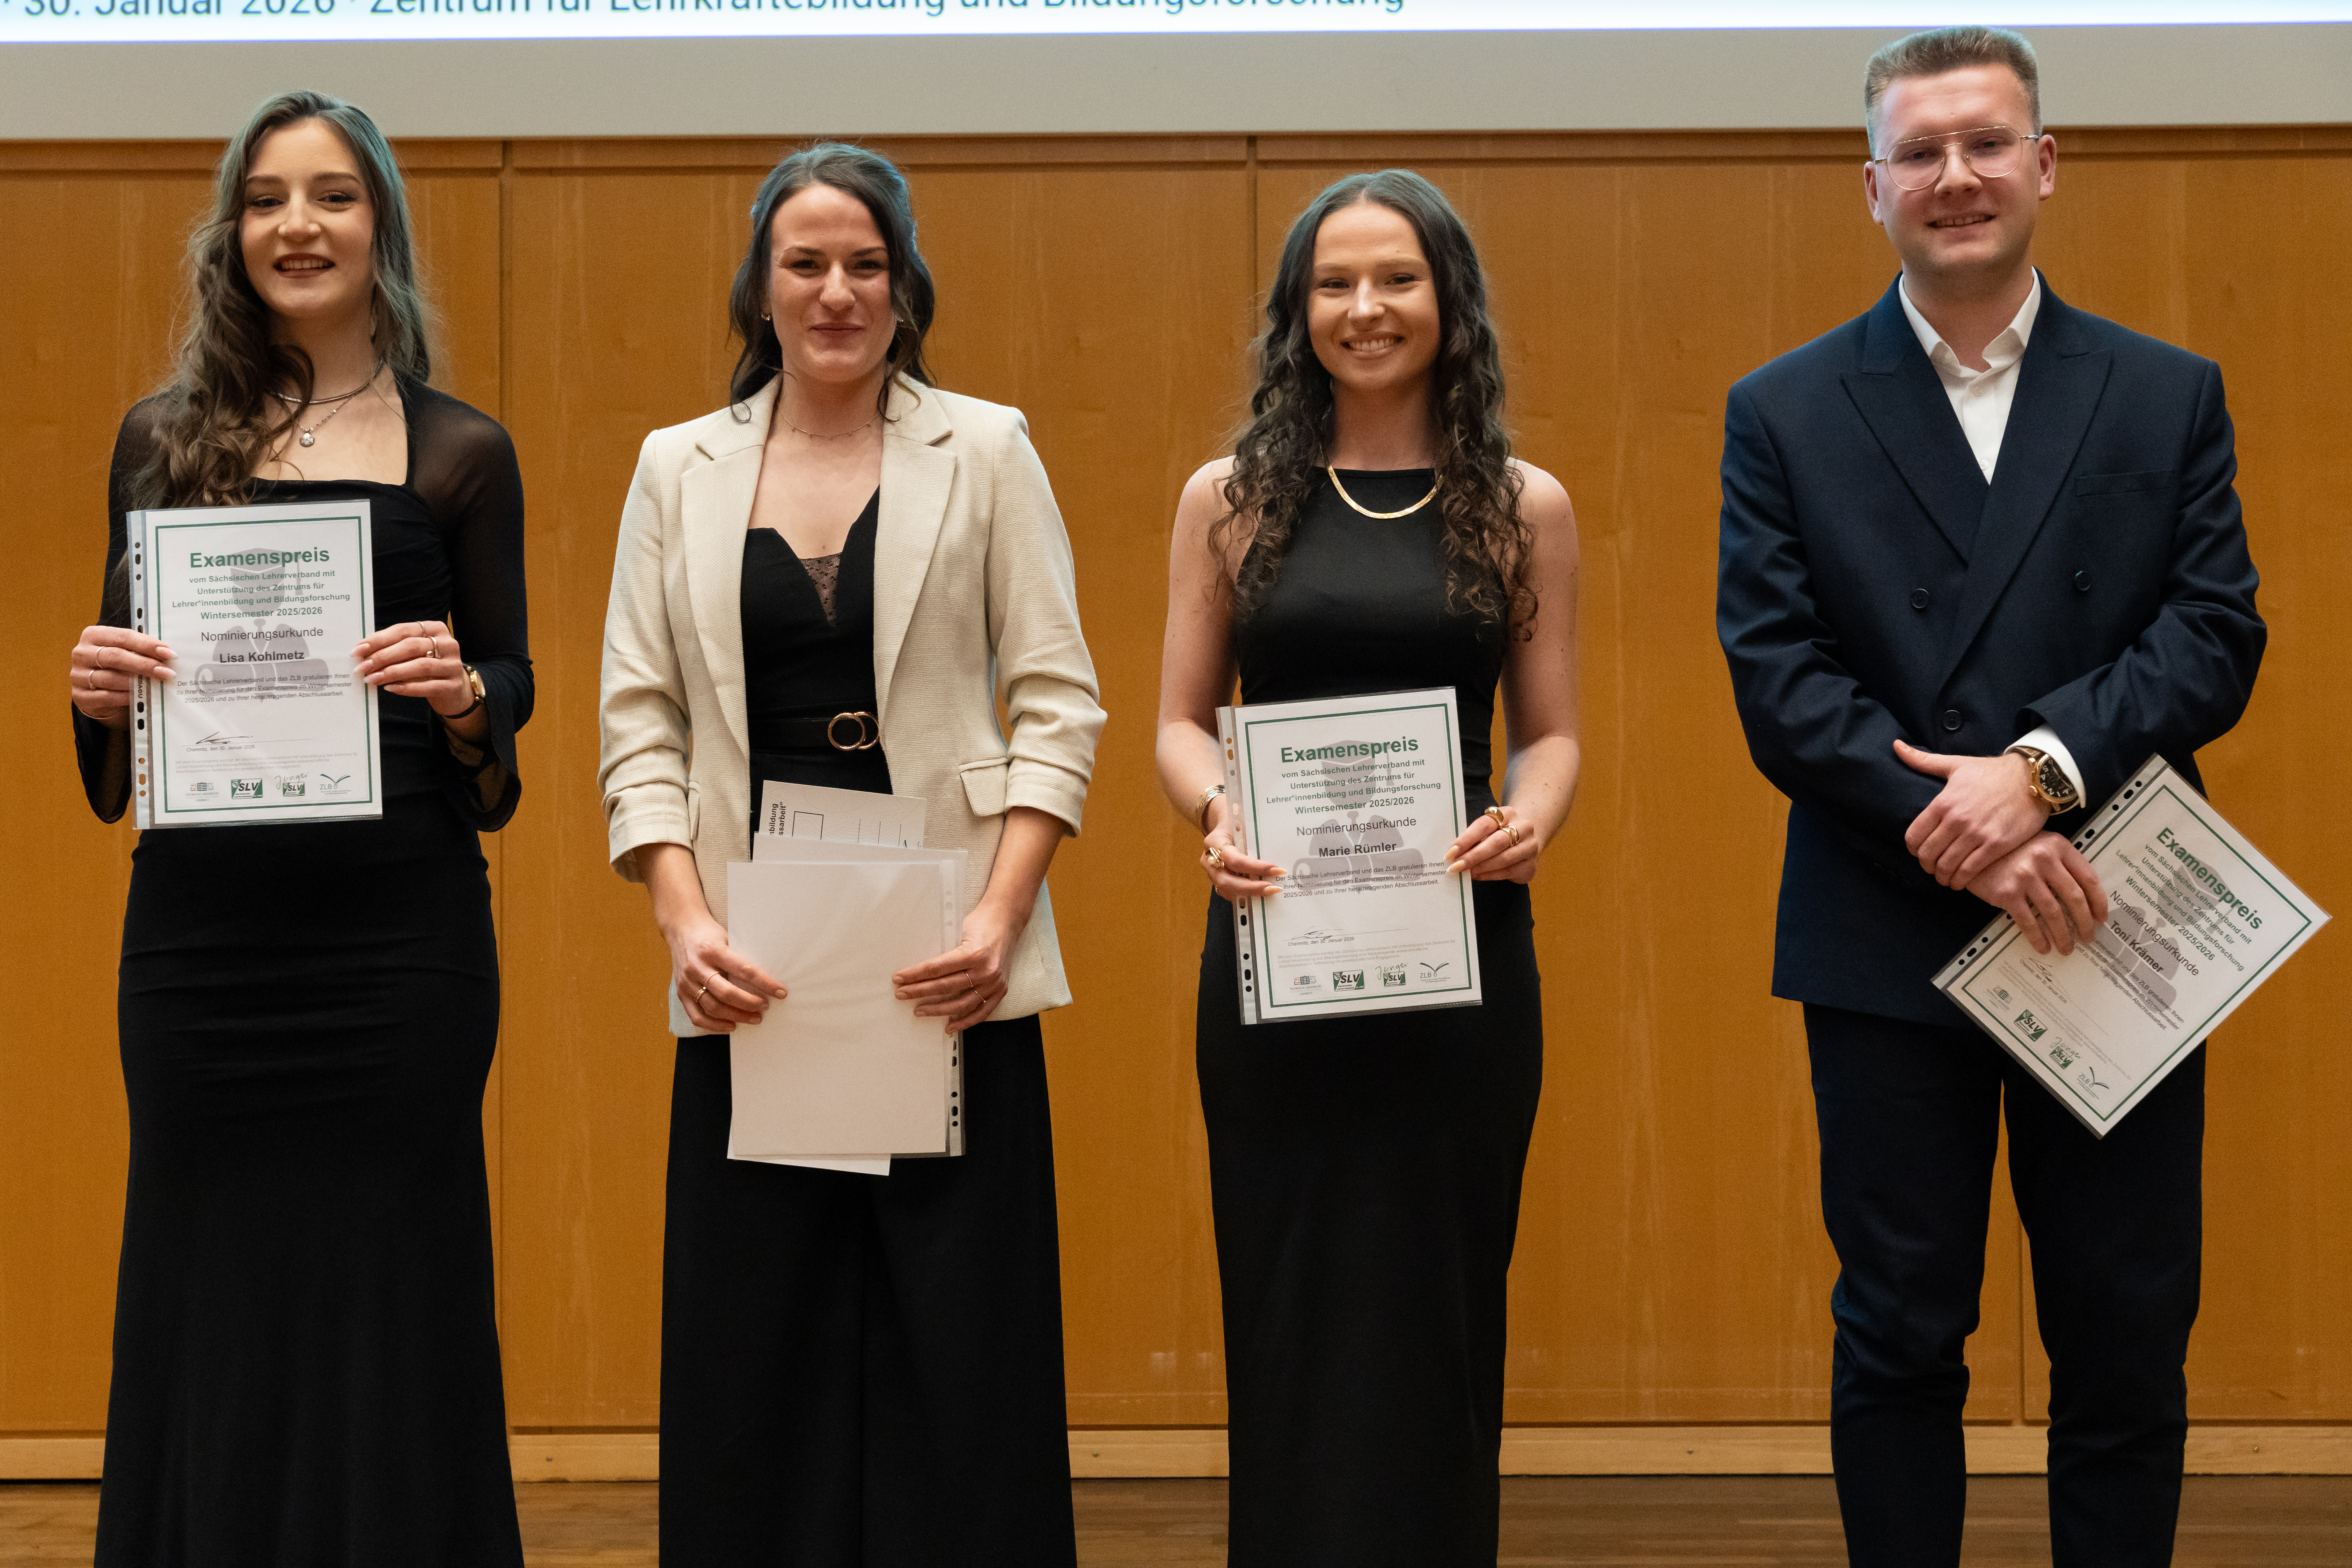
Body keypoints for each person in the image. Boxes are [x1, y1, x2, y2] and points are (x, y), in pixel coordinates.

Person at [1715, 26, 2265, 1568]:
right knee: (1897, 1327)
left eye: (1984, 142)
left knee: (2126, 1330)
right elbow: (1779, 677)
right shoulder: (1784, 409)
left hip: (2113, 913)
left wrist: (2034, 778)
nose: (1952, 176)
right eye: (1918, 150)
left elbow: (2215, 635)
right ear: (1869, 183)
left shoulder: (2166, 393)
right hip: (1883, 927)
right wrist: (1955, 836)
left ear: (2043, 162)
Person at [597, 142, 1105, 1567]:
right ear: (761, 288)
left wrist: (1001, 919)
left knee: (964, 1344)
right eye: (806, 262)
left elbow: (1059, 700)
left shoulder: (988, 449)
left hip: (947, 960)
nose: (836, 290)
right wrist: (684, 921)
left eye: (865, 263)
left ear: (905, 283)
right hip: (756, 967)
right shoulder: (674, 468)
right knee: (756, 1349)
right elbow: (637, 722)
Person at [64, 90, 531, 1565]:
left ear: (379, 222)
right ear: (233, 231)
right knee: (205, 1284)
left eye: (331, 196)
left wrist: (468, 694)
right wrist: (93, 693)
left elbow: (505, 723)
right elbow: (119, 754)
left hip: (401, 946)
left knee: (400, 1284)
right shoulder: (158, 441)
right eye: (268, 198)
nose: (297, 225)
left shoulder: (462, 449)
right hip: (205, 956)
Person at [1155, 170, 1581, 1566]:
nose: (1365, 308)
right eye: (1333, 284)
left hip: (1460, 960)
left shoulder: (1522, 504)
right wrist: (1221, 808)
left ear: (1449, 301)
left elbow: (1554, 733)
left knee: (1441, 1295)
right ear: (1297, 316)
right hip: (1279, 951)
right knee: (1288, 1295)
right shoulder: (1228, 499)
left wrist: (1532, 816)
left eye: (1395, 278)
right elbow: (1175, 719)